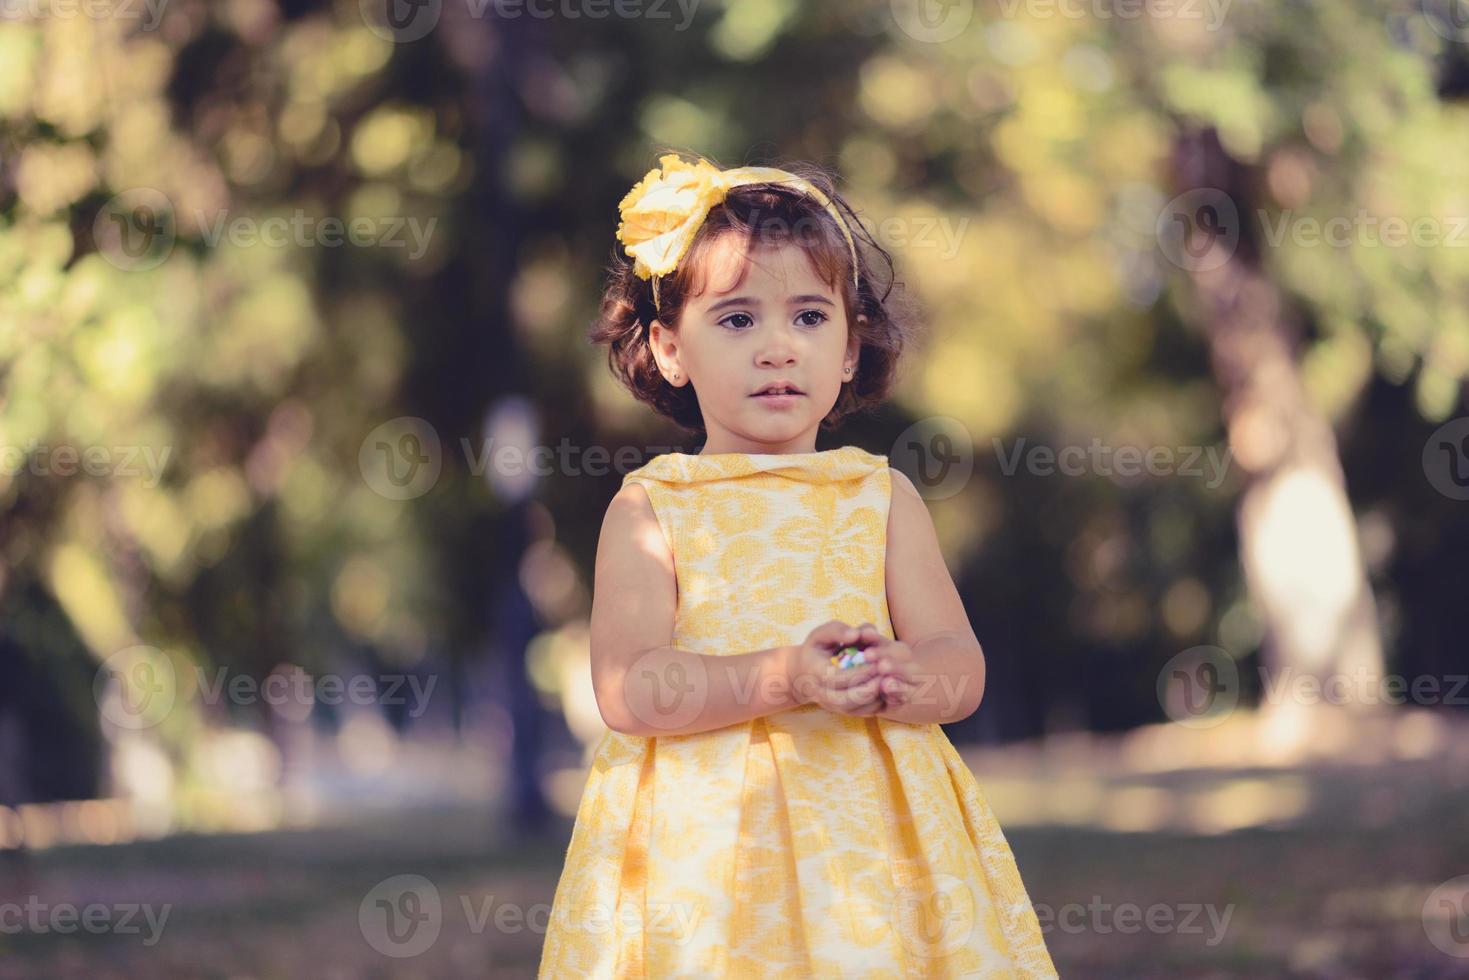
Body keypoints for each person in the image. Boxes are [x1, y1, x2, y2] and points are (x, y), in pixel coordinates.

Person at [538, 152, 1057, 977]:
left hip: (867, 835)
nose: (778, 347)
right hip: (705, 847)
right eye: (737, 320)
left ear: (851, 348)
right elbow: (628, 689)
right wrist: (785, 677)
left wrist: (909, 677)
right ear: (671, 349)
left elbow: (959, 663)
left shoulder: (878, 497)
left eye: (810, 318)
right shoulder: (653, 507)